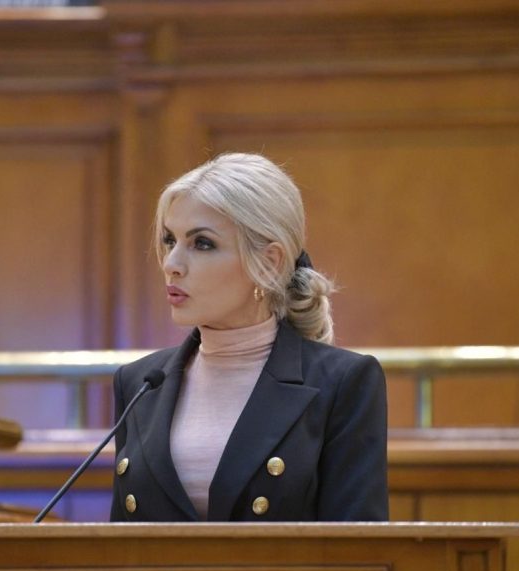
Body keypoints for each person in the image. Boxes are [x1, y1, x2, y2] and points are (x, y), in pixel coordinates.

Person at [110, 153, 387, 522]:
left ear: (269, 262)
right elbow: (122, 545)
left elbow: (359, 547)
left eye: (202, 243)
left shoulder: (343, 383)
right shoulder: (139, 383)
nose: (171, 263)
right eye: (169, 240)